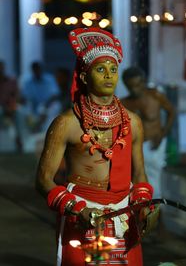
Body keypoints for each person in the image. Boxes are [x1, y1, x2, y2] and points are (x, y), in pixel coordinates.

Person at [36, 28, 157, 266]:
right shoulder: (66, 124)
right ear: (84, 77)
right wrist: (75, 208)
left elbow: (140, 173)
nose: (109, 75)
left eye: (113, 70)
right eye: (100, 69)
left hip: (124, 214)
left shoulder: (133, 122)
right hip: (83, 213)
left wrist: (145, 206)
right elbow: (43, 180)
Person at [121, 67, 175, 199]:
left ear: (143, 81)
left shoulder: (155, 95)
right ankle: (142, 210)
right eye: (130, 86)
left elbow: (171, 112)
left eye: (138, 85)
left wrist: (162, 134)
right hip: (135, 146)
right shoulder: (124, 103)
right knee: (136, 178)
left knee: (155, 179)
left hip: (154, 143)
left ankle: (156, 213)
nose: (134, 89)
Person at [20, 61, 61, 133]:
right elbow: (25, 98)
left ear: (41, 69)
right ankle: (33, 129)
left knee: (55, 106)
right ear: (32, 70)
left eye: (38, 69)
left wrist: (45, 108)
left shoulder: (50, 79)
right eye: (35, 69)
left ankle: (47, 130)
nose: (37, 71)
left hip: (49, 105)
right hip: (34, 107)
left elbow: (55, 95)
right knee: (26, 111)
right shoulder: (28, 82)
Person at [0, 60, 22, 151]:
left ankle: (19, 142)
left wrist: (11, 107)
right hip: (1, 109)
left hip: (10, 108)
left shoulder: (11, 82)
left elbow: (16, 97)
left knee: (20, 112)